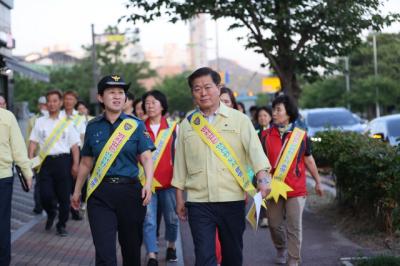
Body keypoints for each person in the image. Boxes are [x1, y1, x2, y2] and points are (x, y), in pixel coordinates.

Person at [172, 67, 272, 266]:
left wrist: (263, 179)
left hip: (232, 200)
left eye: (208, 87)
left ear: (219, 88)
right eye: (197, 88)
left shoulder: (240, 120)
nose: (203, 92)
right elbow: (180, 165)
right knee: (204, 256)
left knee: (233, 255)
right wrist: (179, 198)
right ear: (192, 93)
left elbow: (256, 153)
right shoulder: (187, 124)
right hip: (199, 202)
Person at [71, 74, 155, 266]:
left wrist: (148, 184)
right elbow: (86, 163)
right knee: (104, 254)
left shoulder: (134, 125)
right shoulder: (92, 127)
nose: (117, 96)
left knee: (131, 251)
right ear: (100, 97)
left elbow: (146, 157)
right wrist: (77, 192)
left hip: (130, 193)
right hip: (100, 194)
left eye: (121, 92)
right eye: (111, 92)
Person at [262, 95, 323, 266]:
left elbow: (309, 160)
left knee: (294, 226)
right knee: (274, 224)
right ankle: (281, 248)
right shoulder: (265, 136)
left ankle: (293, 259)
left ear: (288, 113)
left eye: (278, 110)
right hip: (273, 187)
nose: (274, 113)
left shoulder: (301, 136)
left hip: (295, 189)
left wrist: (318, 181)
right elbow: (259, 161)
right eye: (273, 109)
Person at [28, 89, 81, 237]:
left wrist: (76, 165)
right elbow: (33, 142)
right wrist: (31, 160)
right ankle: (51, 212)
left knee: (64, 197)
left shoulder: (67, 122)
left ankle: (61, 224)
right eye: (49, 101)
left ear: (60, 103)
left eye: (55, 101)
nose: (51, 104)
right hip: (45, 163)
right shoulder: (40, 122)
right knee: (44, 195)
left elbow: (75, 146)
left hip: (63, 162)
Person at [141, 90, 179, 266]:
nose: (149, 106)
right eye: (147, 103)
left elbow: (179, 155)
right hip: (146, 184)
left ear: (162, 105)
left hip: (169, 183)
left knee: (172, 218)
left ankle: (171, 246)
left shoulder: (173, 128)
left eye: (153, 102)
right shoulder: (139, 127)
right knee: (148, 220)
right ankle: (151, 255)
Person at [0, 108, 33, 265]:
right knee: (2, 223)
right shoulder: (6, 116)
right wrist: (27, 172)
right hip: (3, 178)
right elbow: (18, 149)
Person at [26, 96, 48, 215]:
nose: (43, 107)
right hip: (38, 157)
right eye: (41, 104)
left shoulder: (55, 119)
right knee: (39, 183)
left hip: (51, 157)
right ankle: (38, 206)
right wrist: (30, 158)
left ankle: (51, 205)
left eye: (45, 104)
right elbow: (29, 140)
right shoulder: (32, 120)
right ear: (39, 106)